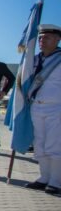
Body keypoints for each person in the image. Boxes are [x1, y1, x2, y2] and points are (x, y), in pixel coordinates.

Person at [25, 24, 61, 195]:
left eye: (46, 37)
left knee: (54, 144)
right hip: (36, 107)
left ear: (57, 39)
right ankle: (44, 177)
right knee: (40, 144)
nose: (41, 41)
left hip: (56, 108)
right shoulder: (35, 59)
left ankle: (56, 180)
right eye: (40, 38)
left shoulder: (59, 59)